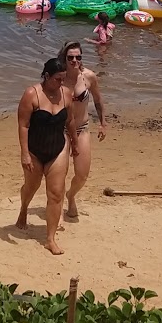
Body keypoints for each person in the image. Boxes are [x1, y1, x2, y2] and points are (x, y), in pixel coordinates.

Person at [15, 57, 72, 255]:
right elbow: (23, 125)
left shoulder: (66, 94)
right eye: (58, 79)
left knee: (56, 194)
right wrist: (25, 154)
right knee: (31, 187)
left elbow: (70, 121)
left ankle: (50, 239)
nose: (61, 83)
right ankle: (23, 209)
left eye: (63, 79)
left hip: (58, 148)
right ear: (46, 76)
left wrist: (74, 142)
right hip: (34, 150)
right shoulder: (32, 94)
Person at [58, 41, 108, 219]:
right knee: (60, 173)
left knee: (82, 174)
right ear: (64, 57)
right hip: (61, 130)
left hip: (82, 129)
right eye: (70, 57)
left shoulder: (89, 76)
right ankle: (57, 209)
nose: (74, 61)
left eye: (78, 57)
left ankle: (70, 196)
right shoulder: (58, 77)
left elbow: (98, 100)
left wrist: (103, 123)